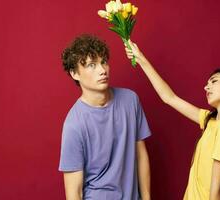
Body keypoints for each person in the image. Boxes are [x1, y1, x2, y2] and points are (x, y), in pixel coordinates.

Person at [125, 40, 220, 200]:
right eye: (206, 84)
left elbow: (216, 193)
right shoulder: (210, 121)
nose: (206, 87)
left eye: (213, 81)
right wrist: (141, 58)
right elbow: (169, 98)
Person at [58, 34, 151, 200]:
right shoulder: (74, 124)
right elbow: (74, 192)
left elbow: (141, 155)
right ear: (74, 73)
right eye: (92, 65)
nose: (102, 70)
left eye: (104, 62)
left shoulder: (130, 100)